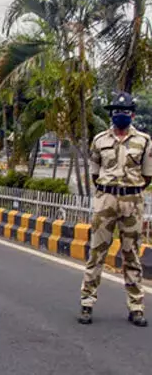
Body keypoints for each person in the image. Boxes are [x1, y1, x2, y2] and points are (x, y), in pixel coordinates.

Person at [79, 91, 151, 327]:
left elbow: (147, 175)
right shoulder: (100, 140)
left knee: (131, 255)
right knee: (96, 252)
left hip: (132, 202)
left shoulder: (144, 141)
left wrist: (130, 190)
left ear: (132, 114)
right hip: (106, 200)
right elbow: (94, 173)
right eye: (117, 112)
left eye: (126, 111)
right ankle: (87, 303)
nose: (121, 115)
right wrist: (109, 191)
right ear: (112, 114)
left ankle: (136, 307)